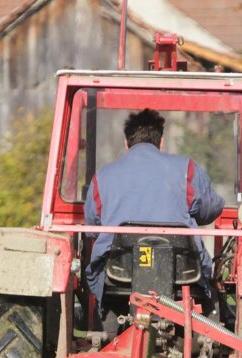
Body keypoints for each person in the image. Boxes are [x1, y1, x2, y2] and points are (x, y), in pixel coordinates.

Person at [83, 108, 225, 315]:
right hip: (183, 273)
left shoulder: (102, 177)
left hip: (118, 274)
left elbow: (92, 228)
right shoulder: (187, 170)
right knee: (211, 297)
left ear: (126, 143)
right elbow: (211, 209)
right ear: (161, 142)